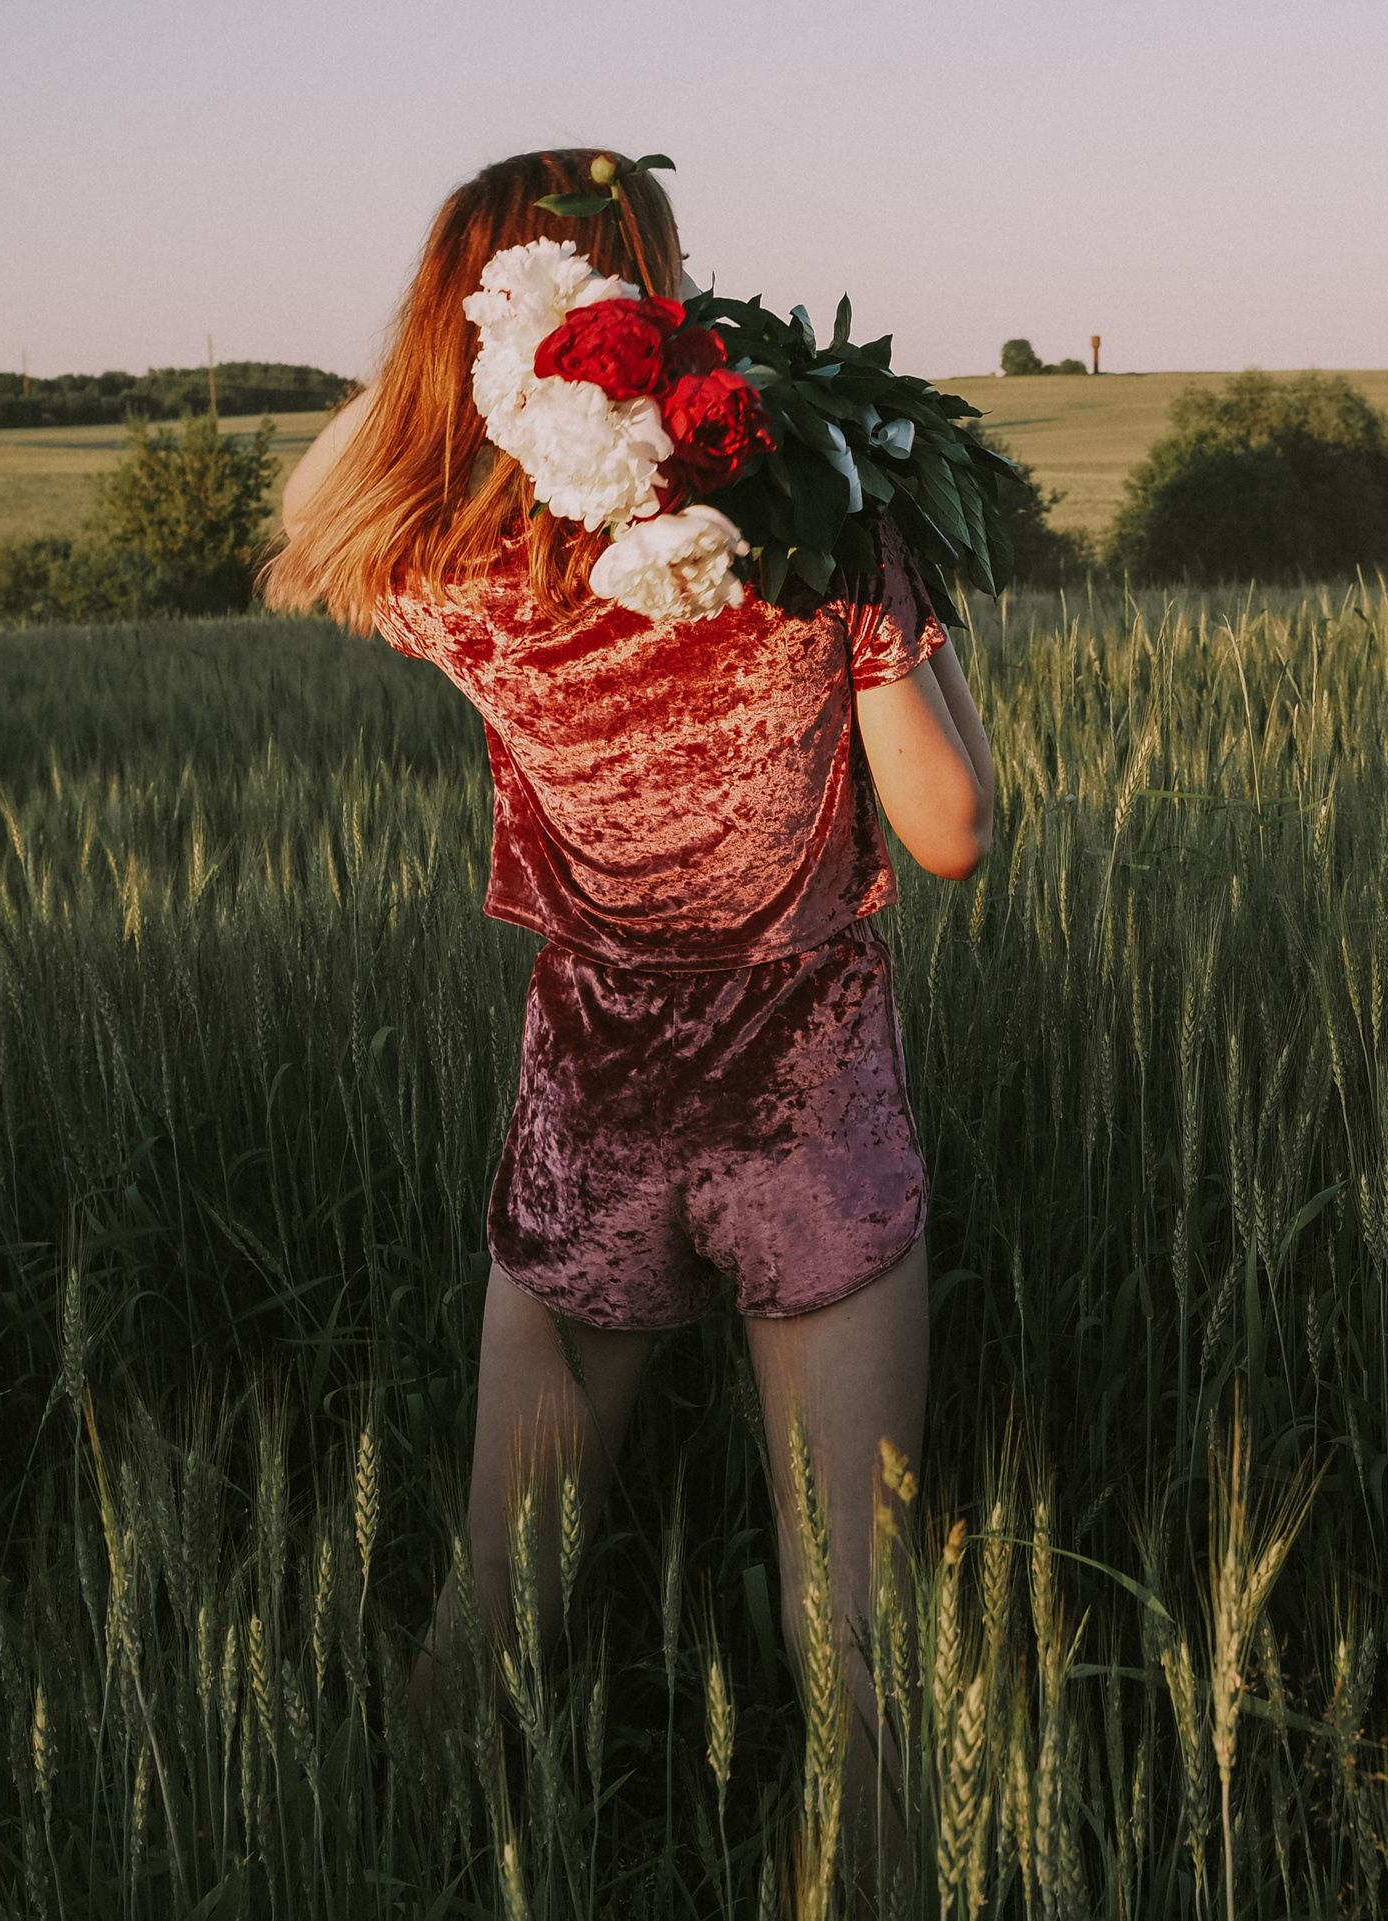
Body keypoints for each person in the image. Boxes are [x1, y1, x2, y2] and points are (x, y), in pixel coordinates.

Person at [263, 150, 992, 1785]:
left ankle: (398, 1868)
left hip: (593, 1096)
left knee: (498, 1599)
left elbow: (332, 499)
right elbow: (949, 827)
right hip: (809, 1105)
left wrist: (453, 387)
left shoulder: (450, 578)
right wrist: (895, 560)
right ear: (666, 298)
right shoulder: (811, 529)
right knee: (854, 1646)